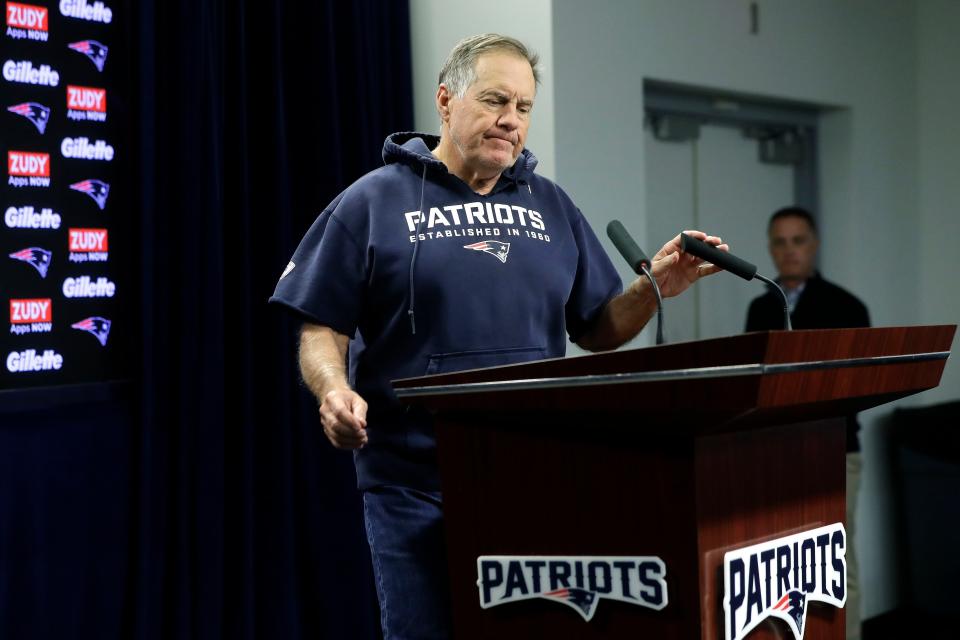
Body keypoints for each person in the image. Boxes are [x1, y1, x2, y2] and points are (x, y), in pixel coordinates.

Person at [271, 33, 727, 640]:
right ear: (445, 99)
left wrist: (653, 289)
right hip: (414, 482)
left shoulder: (550, 205)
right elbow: (320, 324)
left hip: (532, 473)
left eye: (524, 107)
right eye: (494, 101)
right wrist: (332, 389)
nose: (510, 121)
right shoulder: (373, 200)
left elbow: (596, 328)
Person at [745, 205, 869, 639]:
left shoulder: (846, 307)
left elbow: (860, 386)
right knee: (779, 562)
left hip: (834, 451)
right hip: (774, 452)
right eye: (780, 242)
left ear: (814, 246)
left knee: (837, 562)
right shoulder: (760, 309)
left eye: (798, 241)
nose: (789, 251)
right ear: (770, 249)